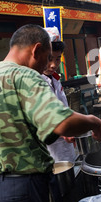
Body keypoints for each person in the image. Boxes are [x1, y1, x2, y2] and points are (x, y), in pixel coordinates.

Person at [0, 24, 101, 202]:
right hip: (23, 187)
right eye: (48, 58)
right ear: (36, 50)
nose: (49, 65)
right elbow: (61, 123)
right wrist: (94, 122)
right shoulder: (25, 75)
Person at [41, 27, 76, 163]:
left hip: (65, 147)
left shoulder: (55, 79)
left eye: (58, 59)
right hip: (50, 150)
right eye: (49, 59)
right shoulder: (35, 82)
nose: (53, 65)